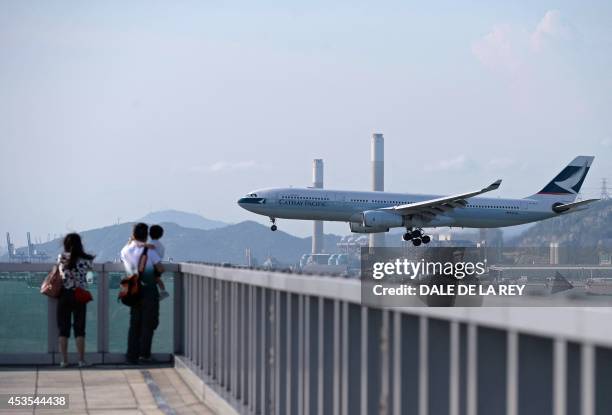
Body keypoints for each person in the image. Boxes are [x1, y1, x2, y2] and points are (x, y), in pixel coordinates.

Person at [120, 223, 164, 364]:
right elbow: (160, 268)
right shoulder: (149, 251)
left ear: (133, 234)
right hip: (149, 289)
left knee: (134, 323)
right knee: (148, 323)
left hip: (133, 289)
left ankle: (131, 355)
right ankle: (144, 355)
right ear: (146, 235)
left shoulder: (124, 250)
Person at [57, 233, 95, 368]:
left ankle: (64, 361)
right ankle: (81, 360)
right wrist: (84, 281)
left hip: (64, 295)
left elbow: (61, 276)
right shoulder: (87, 260)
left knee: (63, 329)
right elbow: (90, 280)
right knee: (79, 329)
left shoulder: (61, 258)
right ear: (80, 244)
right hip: (80, 296)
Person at [148, 224, 169, 300]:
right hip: (158, 265)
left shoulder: (151, 244)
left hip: (152, 266)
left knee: (154, 279)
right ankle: (162, 291)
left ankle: (162, 292)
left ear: (149, 234)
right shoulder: (160, 245)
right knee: (157, 279)